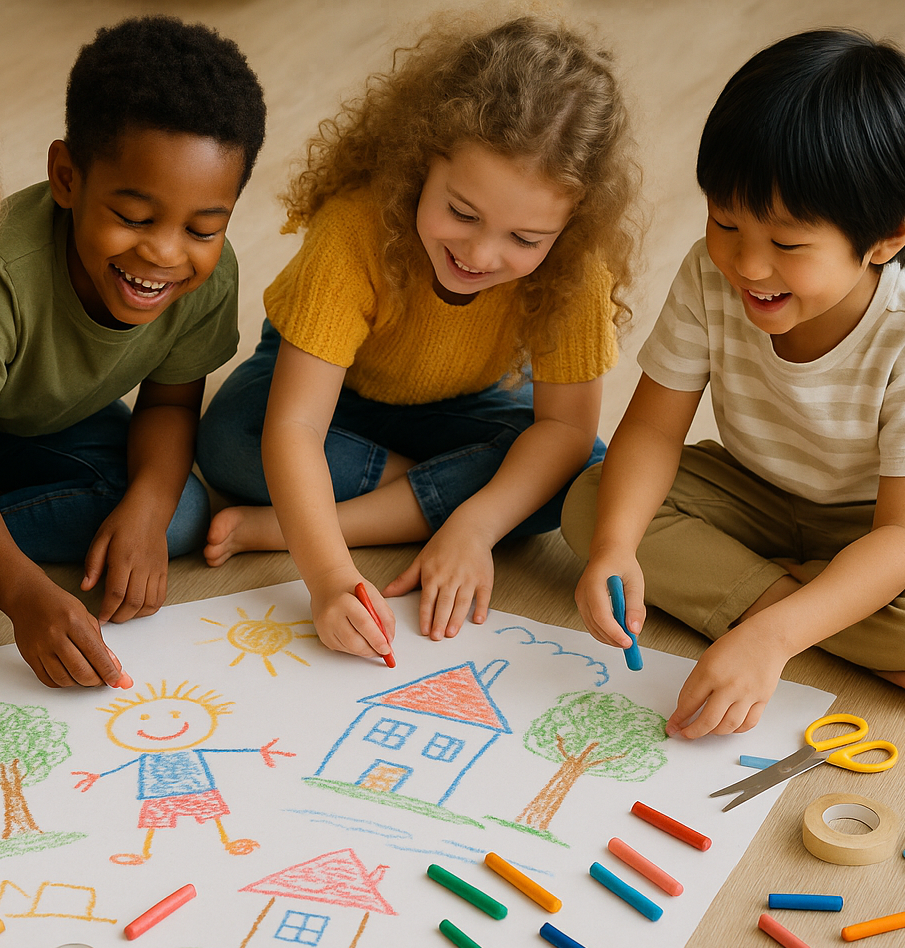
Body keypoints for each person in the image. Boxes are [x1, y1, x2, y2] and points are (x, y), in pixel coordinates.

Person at [563, 29, 905, 738]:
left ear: (886, 237)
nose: (747, 264)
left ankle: (786, 612)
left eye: (789, 245)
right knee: (591, 507)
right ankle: (819, 613)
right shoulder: (710, 273)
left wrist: (768, 640)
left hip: (889, 516)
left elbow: (904, 539)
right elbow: (648, 429)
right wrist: (616, 546)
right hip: (758, 489)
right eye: (723, 222)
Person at [196, 15, 639, 660]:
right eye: (462, 213)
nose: (481, 254)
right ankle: (400, 502)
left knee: (584, 475)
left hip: (459, 405)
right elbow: (292, 430)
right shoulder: (355, 229)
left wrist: (474, 527)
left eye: (525, 239)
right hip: (336, 390)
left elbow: (567, 431)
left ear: (569, 228)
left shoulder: (576, 266)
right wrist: (328, 578)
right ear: (418, 162)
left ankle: (290, 524)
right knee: (232, 440)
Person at [0, 15, 266, 690]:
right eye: (135, 218)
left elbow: (170, 406)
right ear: (66, 177)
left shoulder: (210, 275)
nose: (165, 253)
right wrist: (23, 596)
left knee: (178, 515)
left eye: (203, 228)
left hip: (48, 416)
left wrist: (145, 503)